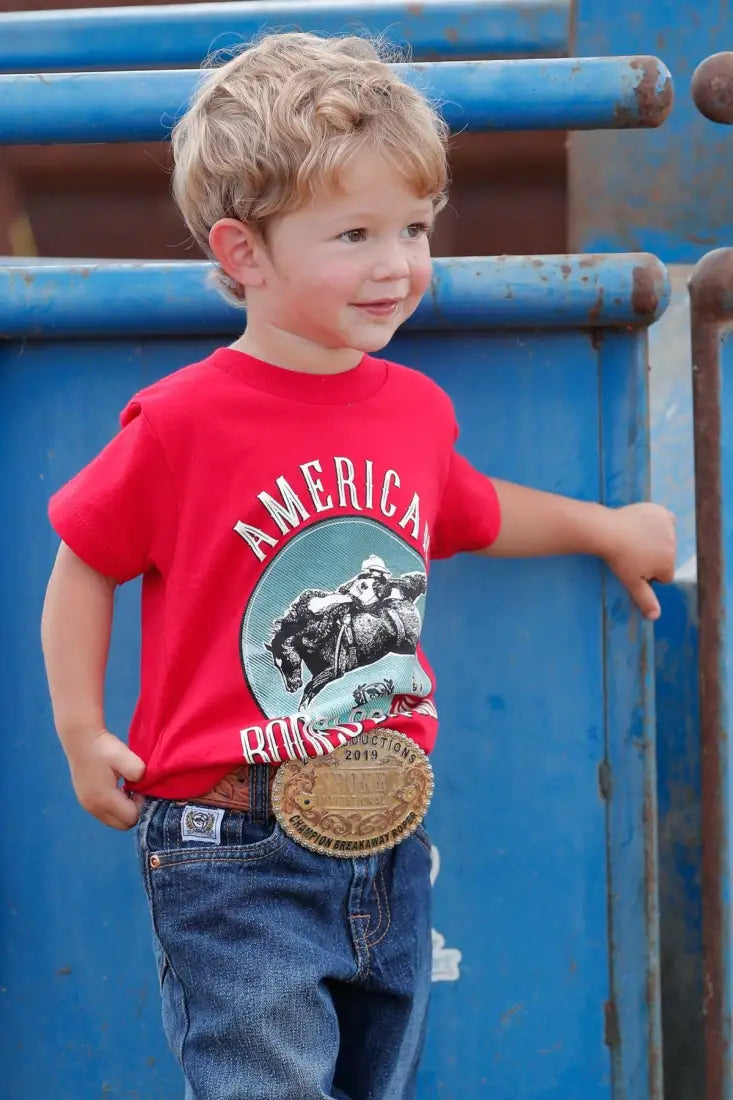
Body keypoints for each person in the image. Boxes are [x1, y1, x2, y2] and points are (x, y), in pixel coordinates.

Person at [40, 31, 676, 1100]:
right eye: (354, 233)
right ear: (243, 253)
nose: (398, 264)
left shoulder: (413, 410)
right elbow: (84, 558)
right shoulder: (181, 422)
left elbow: (471, 510)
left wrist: (606, 527)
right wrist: (78, 726)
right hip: (231, 840)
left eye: (415, 227)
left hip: (387, 832)